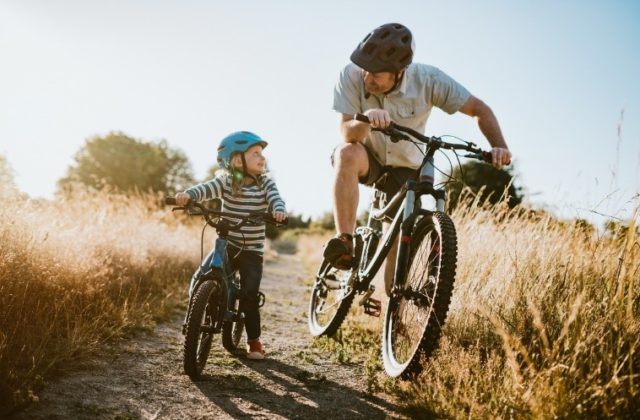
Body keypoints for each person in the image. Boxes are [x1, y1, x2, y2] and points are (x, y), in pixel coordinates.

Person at [325, 23, 512, 296]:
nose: (368, 78)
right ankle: (345, 241)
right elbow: (346, 131)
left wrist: (499, 146)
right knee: (346, 153)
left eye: (377, 74)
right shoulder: (352, 75)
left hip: (407, 164)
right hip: (369, 156)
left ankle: (394, 308)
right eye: (366, 68)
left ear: (399, 73)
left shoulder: (428, 80)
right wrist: (367, 120)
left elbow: (479, 109)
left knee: (397, 239)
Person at [174, 131, 287, 360]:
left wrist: (278, 210)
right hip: (228, 242)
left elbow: (276, 198)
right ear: (237, 160)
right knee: (201, 277)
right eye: (255, 153)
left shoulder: (265, 182)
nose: (262, 158)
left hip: (251, 250)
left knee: (249, 295)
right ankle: (197, 317)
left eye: (262, 154)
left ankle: (254, 341)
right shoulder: (226, 180)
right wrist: (188, 195)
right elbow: (206, 189)